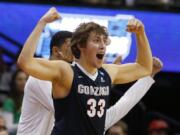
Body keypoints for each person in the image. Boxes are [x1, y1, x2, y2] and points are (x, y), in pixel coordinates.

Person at [17, 7, 152, 135]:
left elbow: (144, 68)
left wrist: (141, 34)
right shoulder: (66, 71)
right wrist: (42, 23)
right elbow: (25, 62)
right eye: (96, 40)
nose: (102, 46)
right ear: (81, 46)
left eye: (105, 41)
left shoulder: (107, 72)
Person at [2, 69, 28, 134]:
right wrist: (29, 124)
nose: (23, 82)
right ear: (14, 82)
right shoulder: (9, 102)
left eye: (25, 79)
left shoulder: (28, 99)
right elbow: (8, 127)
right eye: (20, 79)